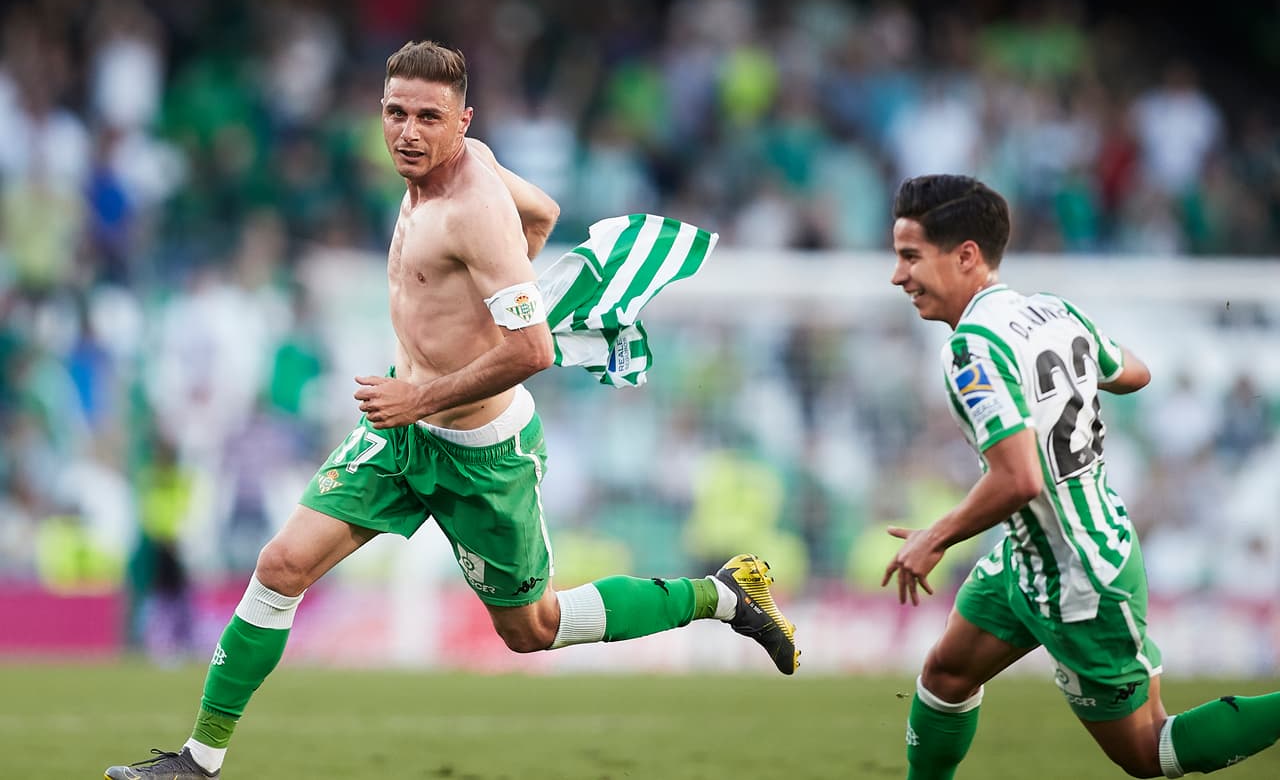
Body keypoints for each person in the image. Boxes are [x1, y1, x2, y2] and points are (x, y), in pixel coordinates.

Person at [105, 40, 798, 780]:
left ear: (461, 121)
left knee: (533, 630)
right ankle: (198, 762)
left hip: (482, 452)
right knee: (281, 565)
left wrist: (422, 391)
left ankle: (720, 595)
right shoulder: (456, 175)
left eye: (429, 118)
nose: (408, 132)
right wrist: (486, 304)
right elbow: (546, 210)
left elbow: (532, 349)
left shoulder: (471, 209)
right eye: (396, 113)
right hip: (402, 436)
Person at [881, 173, 1279, 779]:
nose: (898, 276)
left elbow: (1020, 479)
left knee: (1150, 753)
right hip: (1029, 554)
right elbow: (1135, 372)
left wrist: (934, 537)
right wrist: (1066, 383)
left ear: (966, 256)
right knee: (945, 675)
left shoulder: (970, 351)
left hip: (1080, 571)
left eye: (910, 257)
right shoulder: (1052, 311)